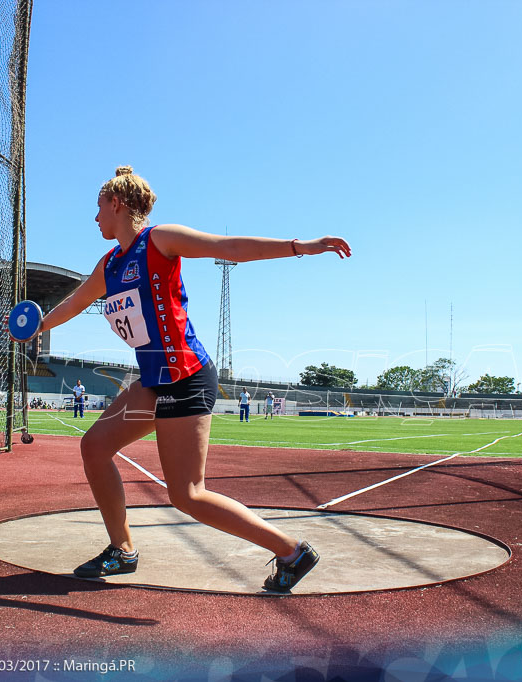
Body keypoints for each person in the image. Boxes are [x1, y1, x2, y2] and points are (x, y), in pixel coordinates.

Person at [32, 166, 351, 592]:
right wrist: (37, 326)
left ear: (117, 204)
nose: (95, 219)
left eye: (98, 209)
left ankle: (292, 551)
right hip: (153, 380)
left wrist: (300, 247)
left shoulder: (160, 240)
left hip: (186, 377)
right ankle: (122, 549)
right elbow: (75, 303)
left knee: (187, 494)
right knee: (94, 447)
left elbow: (228, 246)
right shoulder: (109, 264)